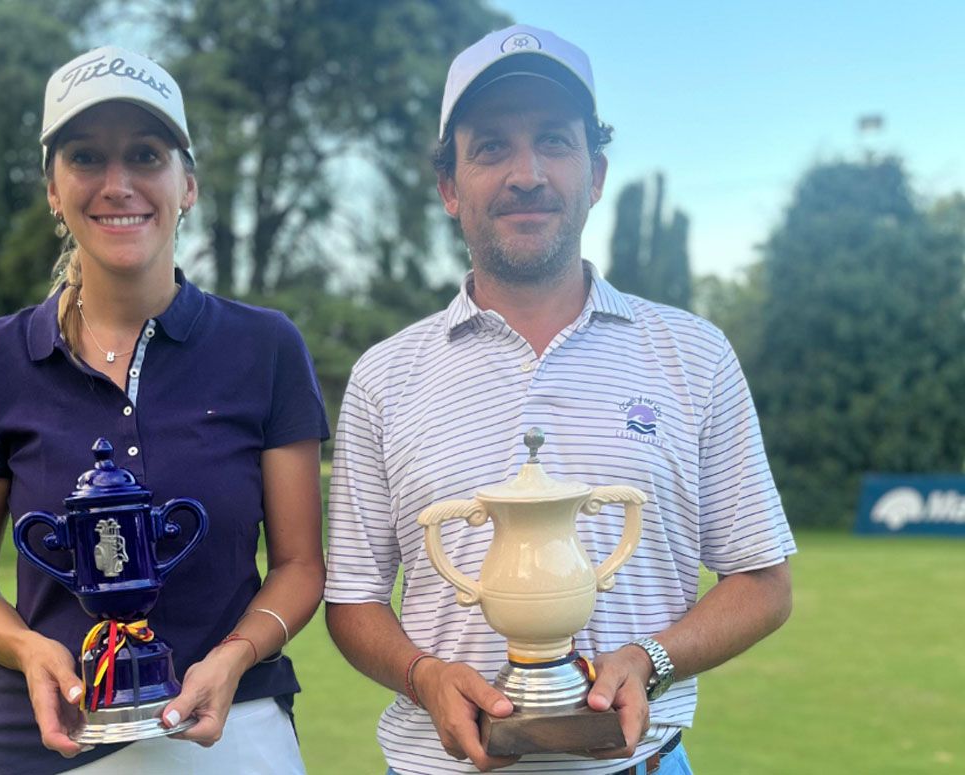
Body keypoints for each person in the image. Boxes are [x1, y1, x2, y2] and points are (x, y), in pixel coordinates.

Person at [324, 24, 795, 775]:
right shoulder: (386, 374)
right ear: (449, 185)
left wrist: (650, 659)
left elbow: (764, 582)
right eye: (491, 148)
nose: (527, 173)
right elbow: (352, 600)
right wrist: (426, 676)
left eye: (554, 141)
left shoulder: (694, 353)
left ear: (596, 171)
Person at [0, 46, 328, 775]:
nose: (118, 185)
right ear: (53, 188)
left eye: (145, 155)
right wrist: (30, 648)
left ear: (188, 183)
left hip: (233, 726)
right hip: (46, 738)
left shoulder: (265, 346)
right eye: (86, 157)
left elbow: (300, 563)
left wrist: (237, 652)